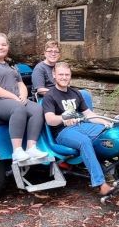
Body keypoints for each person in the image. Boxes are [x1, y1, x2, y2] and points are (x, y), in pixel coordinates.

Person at [43, 62, 114, 196]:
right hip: (63, 132)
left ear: (70, 76)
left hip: (81, 126)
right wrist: (63, 118)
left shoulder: (75, 92)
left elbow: (89, 115)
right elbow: (50, 120)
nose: (64, 77)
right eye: (61, 74)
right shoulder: (50, 96)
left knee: (111, 133)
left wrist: (105, 121)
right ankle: (100, 184)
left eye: (67, 74)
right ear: (54, 75)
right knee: (84, 141)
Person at [0, 33, 48, 162]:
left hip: (13, 99)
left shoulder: (10, 64)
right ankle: (17, 151)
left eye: (3, 44)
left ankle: (31, 148)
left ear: (7, 47)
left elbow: (20, 83)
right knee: (18, 108)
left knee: (37, 109)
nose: (0, 47)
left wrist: (23, 95)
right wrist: (13, 97)